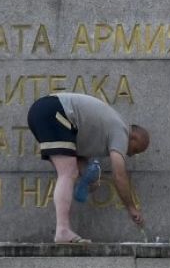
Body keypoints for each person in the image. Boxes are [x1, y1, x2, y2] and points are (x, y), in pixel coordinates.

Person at [24, 91, 151, 243]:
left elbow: (77, 156)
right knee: (68, 173)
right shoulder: (121, 130)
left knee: (72, 170)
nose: (130, 155)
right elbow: (119, 175)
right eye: (135, 150)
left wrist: (89, 179)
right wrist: (131, 208)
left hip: (44, 112)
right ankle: (62, 230)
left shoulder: (104, 129)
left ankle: (63, 229)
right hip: (55, 111)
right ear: (134, 137)